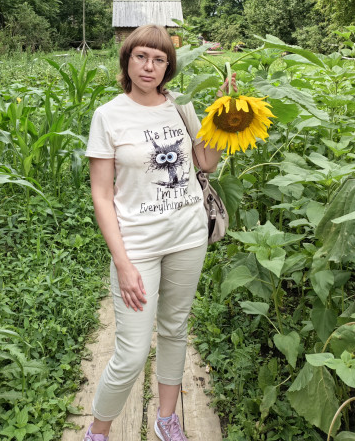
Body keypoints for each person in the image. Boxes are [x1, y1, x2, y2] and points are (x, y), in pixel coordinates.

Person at [84, 24, 235, 441]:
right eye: (141, 56)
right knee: (131, 353)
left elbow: (205, 162)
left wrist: (221, 114)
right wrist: (122, 261)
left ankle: (167, 418)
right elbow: (101, 195)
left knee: (174, 328)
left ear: (168, 66)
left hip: (187, 236)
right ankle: (97, 431)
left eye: (159, 59)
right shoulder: (108, 116)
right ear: (127, 60)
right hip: (138, 246)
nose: (149, 66)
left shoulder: (179, 107)